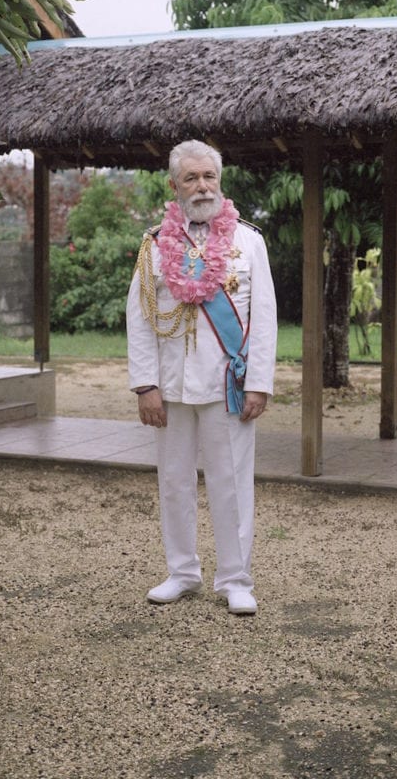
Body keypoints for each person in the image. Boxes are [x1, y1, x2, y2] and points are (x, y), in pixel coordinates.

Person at [126, 139, 277, 616]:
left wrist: (259, 381)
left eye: (209, 176)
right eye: (191, 178)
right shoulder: (153, 244)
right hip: (171, 387)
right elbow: (140, 317)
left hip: (227, 384)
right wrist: (145, 385)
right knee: (174, 481)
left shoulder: (249, 241)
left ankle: (235, 579)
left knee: (231, 481)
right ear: (174, 186)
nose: (202, 185)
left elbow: (266, 318)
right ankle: (181, 572)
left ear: (220, 180)